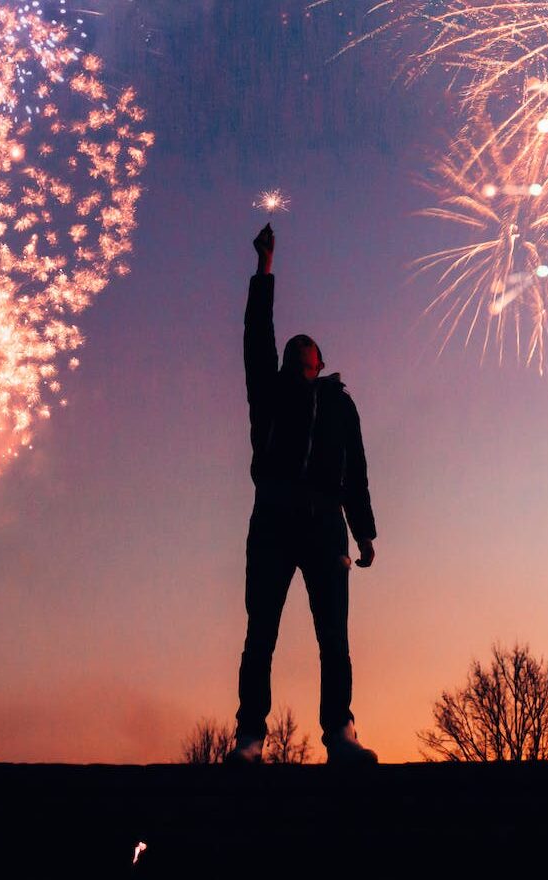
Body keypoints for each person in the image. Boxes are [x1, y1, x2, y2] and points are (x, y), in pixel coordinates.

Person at [228, 223, 378, 765]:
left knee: (333, 637)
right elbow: (255, 335)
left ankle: (340, 731)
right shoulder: (268, 394)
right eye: (290, 354)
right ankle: (250, 736)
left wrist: (364, 530)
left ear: (318, 364)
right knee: (260, 631)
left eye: (303, 355)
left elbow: (355, 470)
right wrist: (265, 269)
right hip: (272, 516)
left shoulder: (340, 406)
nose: (295, 359)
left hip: (323, 523)